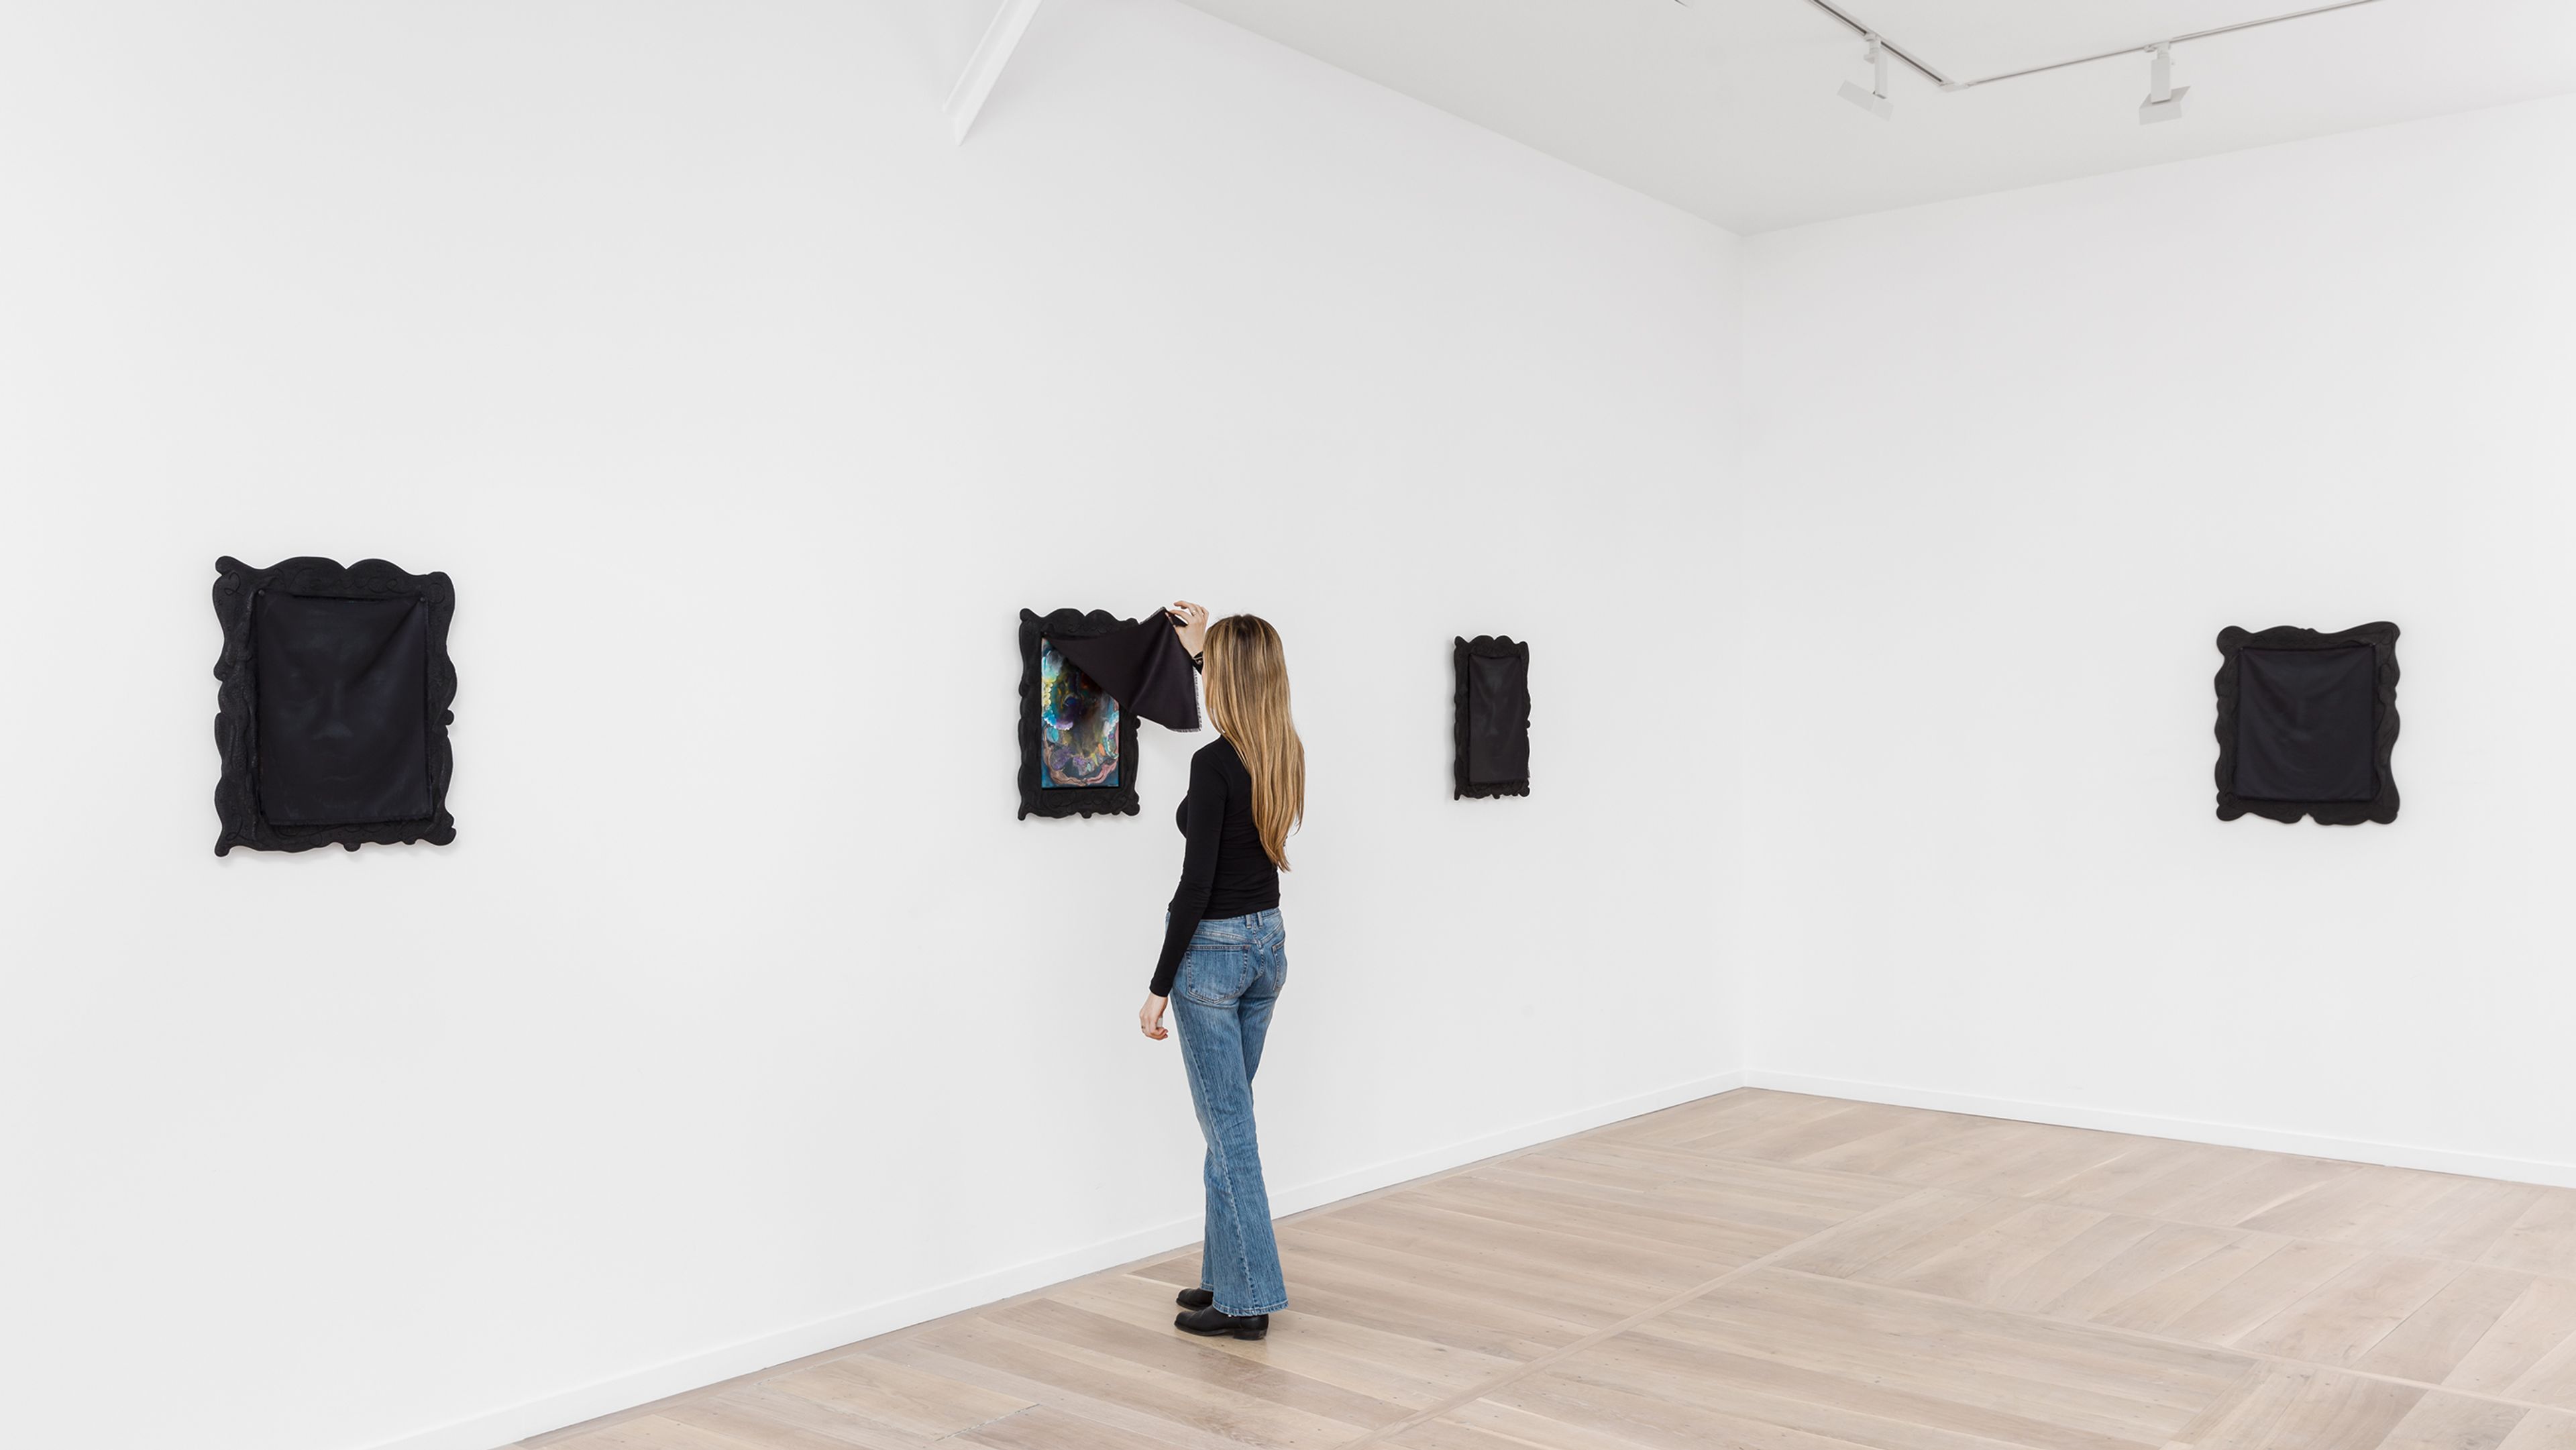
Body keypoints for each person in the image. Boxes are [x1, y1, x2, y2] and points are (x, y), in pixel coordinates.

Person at [1138, 603, 1303, 1341]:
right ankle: (1227, 1275)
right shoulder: (1281, 751)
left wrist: (1158, 985)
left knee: (1229, 1129)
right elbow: (1240, 698)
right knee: (1226, 1121)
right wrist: (1203, 648)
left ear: (1227, 683)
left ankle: (1249, 1301)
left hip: (1212, 956)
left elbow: (1195, 885)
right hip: (1267, 946)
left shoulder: (1213, 765)